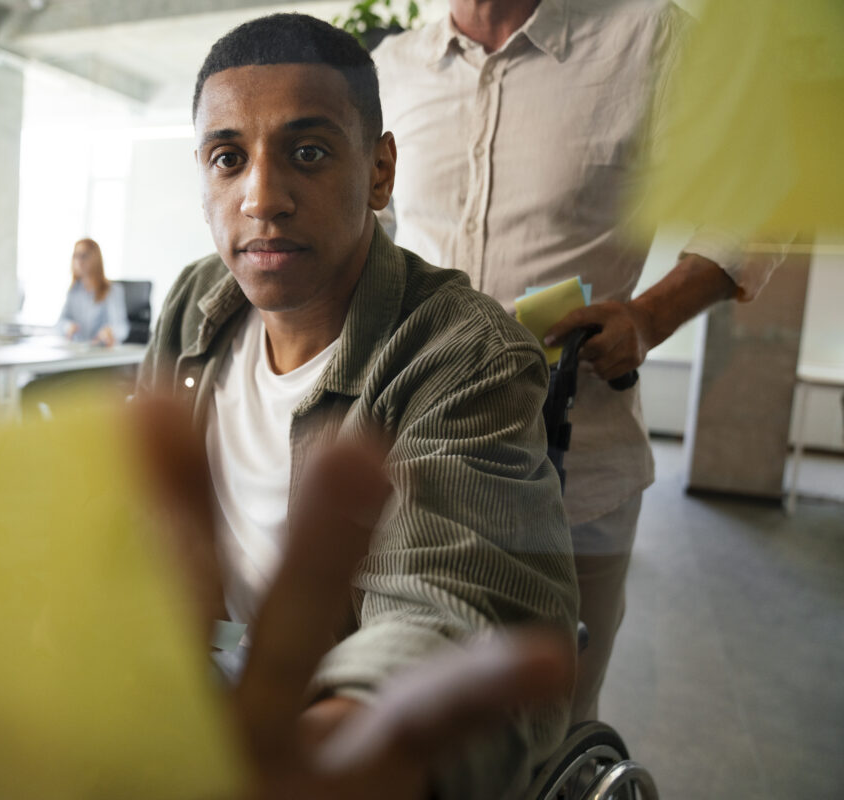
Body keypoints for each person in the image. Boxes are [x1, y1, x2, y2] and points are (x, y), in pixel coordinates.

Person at [138, 13, 577, 798]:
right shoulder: (195, 304)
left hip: (314, 714)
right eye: (227, 159)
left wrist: (347, 729)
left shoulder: (464, 355)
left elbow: (445, 599)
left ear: (380, 172)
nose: (261, 198)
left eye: (308, 153)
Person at [371, 0, 785, 723]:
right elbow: (365, 234)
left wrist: (649, 316)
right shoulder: (391, 67)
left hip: (577, 468)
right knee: (414, 709)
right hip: (417, 459)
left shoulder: (649, 37)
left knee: (555, 715)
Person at [57, 238, 129, 346]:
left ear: (95, 259)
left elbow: (122, 328)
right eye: (76, 256)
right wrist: (68, 327)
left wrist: (110, 332)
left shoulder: (112, 290)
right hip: (80, 350)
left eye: (84, 256)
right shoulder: (74, 290)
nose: (79, 261)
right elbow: (59, 324)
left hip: (104, 352)